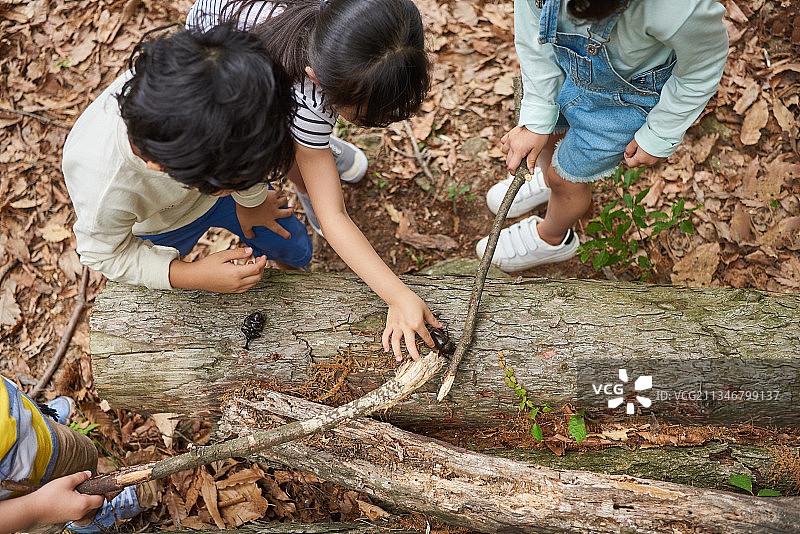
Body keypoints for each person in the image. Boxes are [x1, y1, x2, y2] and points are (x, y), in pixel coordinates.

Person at [186, 0, 442, 361]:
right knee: (291, 152)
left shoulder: (345, 23)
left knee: (307, 143)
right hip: (220, 63)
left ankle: (317, 148)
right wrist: (398, 295)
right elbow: (332, 215)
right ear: (319, 80)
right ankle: (312, 154)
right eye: (362, 114)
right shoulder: (298, 96)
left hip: (248, 38)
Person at [478, 0, 728, 271]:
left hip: (630, 100)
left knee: (566, 179)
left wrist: (660, 132)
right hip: (565, 72)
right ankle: (550, 182)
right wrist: (536, 119)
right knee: (547, 136)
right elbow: (533, 36)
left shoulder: (676, 7)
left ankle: (552, 237)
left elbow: (702, 66)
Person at [63, 24, 312, 295]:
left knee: (287, 239)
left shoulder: (213, 82)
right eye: (240, 182)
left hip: (215, 173)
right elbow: (106, 254)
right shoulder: (105, 186)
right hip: (160, 224)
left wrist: (251, 200)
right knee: (164, 288)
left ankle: (293, 274)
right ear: (159, 168)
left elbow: (248, 148)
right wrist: (189, 274)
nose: (248, 183)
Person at [0, 376, 158, 533]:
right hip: (25, 478)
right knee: (78, 476)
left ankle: (36, 418)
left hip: (15, 414)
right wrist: (38, 508)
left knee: (81, 451)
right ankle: (89, 518)